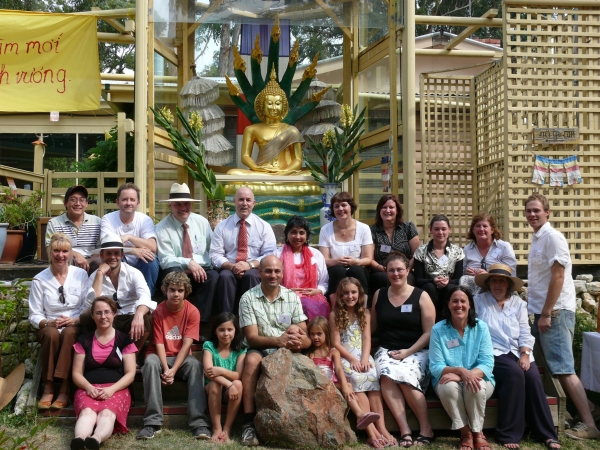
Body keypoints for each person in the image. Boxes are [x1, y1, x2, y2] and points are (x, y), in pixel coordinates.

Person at [525, 193, 600, 440]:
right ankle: (587, 408)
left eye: (537, 210)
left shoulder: (553, 237)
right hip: (542, 312)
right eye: (529, 211)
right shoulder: (537, 239)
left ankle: (589, 426)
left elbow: (558, 277)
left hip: (554, 312)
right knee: (553, 368)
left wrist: (547, 313)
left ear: (547, 212)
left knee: (564, 368)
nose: (532, 214)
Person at [474, 264, 560, 450]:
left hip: (517, 350)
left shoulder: (519, 304)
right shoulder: (479, 300)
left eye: (502, 281)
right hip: (492, 352)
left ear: (508, 285)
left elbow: (525, 331)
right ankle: (508, 433)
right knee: (514, 374)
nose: (497, 285)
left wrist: (525, 354)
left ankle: (546, 434)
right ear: (488, 284)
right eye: (494, 281)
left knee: (533, 378)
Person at [238, 255, 310, 446]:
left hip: (286, 349)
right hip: (260, 347)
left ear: (282, 273)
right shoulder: (247, 298)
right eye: (268, 271)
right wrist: (279, 341)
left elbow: (302, 327)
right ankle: (248, 424)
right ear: (259, 273)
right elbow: (252, 337)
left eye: (277, 271)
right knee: (251, 361)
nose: (273, 275)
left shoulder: (291, 296)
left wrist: (298, 335)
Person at [371, 253, 436, 447]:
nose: (396, 273)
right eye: (391, 270)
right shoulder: (379, 294)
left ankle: (426, 429)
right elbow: (372, 326)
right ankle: (404, 430)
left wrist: (407, 352)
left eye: (400, 269)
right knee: (386, 375)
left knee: (405, 376)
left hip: (417, 350)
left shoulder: (421, 295)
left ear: (408, 271)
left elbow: (430, 332)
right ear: (386, 272)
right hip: (386, 350)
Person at [137, 272, 211, 440]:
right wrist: (165, 368)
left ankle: (199, 422)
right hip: (158, 354)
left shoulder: (192, 312)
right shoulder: (158, 311)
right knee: (149, 363)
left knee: (196, 365)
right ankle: (152, 422)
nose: (176, 294)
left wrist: (173, 370)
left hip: (182, 357)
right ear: (165, 290)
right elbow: (159, 343)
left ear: (186, 292)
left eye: (180, 290)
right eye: (172, 290)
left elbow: (187, 345)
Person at [330, 278, 394, 448]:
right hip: (345, 356)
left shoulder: (364, 313)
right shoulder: (335, 314)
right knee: (357, 379)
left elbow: (366, 338)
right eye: (345, 293)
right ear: (340, 295)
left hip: (362, 354)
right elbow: (336, 343)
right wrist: (352, 359)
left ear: (359, 294)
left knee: (372, 376)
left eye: (353, 292)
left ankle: (382, 427)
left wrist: (365, 358)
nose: (350, 296)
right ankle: (371, 430)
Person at [429, 286, 495, 450]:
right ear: (448, 304)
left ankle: (477, 432)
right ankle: (465, 433)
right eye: (455, 301)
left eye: (463, 301)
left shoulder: (481, 327)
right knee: (448, 388)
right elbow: (436, 366)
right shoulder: (438, 329)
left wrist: (464, 375)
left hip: (480, 377)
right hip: (447, 378)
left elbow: (487, 363)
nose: (459, 305)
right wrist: (460, 372)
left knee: (475, 386)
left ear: (470, 304)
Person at [28, 233, 88, 410]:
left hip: (75, 323)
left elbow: (87, 305)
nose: (60, 255)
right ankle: (48, 386)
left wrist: (76, 320)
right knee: (52, 335)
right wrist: (48, 322)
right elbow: (34, 314)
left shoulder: (81, 275)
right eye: (56, 251)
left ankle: (63, 388)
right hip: (49, 326)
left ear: (70, 253)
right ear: (49, 252)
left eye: (65, 251)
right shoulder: (40, 279)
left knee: (69, 334)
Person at [70, 296, 137, 450]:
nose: (103, 316)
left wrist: (111, 389)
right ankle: (79, 439)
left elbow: (130, 373)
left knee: (107, 413)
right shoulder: (83, 340)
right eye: (98, 313)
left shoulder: (125, 340)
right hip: (88, 388)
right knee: (87, 412)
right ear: (92, 316)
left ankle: (96, 439)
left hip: (117, 389)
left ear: (114, 314)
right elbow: (76, 373)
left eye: (107, 312)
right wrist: (88, 388)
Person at [307, 316, 381, 446]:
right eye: (312, 334)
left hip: (332, 384)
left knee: (349, 389)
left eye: (319, 334)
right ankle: (362, 419)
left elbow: (339, 370)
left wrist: (345, 386)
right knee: (349, 389)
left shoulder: (333, 351)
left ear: (326, 333)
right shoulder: (309, 354)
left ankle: (369, 431)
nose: (315, 337)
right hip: (317, 386)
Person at [156, 183, 219, 326]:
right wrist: (188, 262)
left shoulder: (202, 222)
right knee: (174, 275)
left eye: (186, 204)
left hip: (201, 269)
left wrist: (202, 265)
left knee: (214, 276)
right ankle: (175, 321)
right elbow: (165, 259)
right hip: (177, 269)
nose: (183, 208)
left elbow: (212, 249)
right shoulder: (161, 228)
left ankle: (201, 323)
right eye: (178, 204)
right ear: (170, 206)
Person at [227, 66, 308, 176]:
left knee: (312, 175)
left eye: (278, 104)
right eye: (269, 103)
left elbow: (298, 160)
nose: (273, 107)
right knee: (233, 173)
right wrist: (257, 168)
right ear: (261, 106)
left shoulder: (291, 130)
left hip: (285, 172)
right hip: (262, 172)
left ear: (283, 107)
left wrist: (283, 173)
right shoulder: (252, 129)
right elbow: (245, 156)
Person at [81, 232, 155, 351]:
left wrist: (139, 315)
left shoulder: (134, 273)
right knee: (87, 316)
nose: (112, 257)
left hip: (130, 317)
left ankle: (133, 356)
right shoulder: (95, 276)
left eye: (116, 253)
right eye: (108, 253)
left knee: (146, 316)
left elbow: (145, 296)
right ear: (101, 255)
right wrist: (99, 274)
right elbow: (91, 303)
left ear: (122, 255)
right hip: (109, 318)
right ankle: (101, 354)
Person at [210, 186, 277, 313]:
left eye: (248, 200)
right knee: (224, 277)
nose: (244, 204)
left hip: (253, 267)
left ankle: (253, 318)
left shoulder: (264, 226)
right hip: (229, 267)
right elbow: (215, 254)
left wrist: (249, 265)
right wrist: (232, 266)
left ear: (253, 203)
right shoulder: (222, 227)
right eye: (241, 200)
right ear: (234, 201)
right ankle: (226, 320)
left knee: (251, 276)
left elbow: (269, 254)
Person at [101, 183, 160, 295]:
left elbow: (152, 247)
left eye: (132, 199)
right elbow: (107, 245)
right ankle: (119, 299)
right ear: (117, 202)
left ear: (138, 203)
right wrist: (132, 250)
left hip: (141, 262)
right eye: (124, 200)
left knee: (151, 259)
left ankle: (146, 300)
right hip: (119, 259)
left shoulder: (144, 220)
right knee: (114, 257)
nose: (128, 203)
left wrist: (129, 237)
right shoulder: (107, 219)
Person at [318, 192, 373, 308]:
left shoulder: (364, 228)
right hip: (335, 271)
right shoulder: (325, 230)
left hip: (358, 270)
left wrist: (356, 262)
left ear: (351, 207)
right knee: (338, 270)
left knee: (356, 270)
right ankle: (335, 310)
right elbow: (324, 260)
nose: (340, 209)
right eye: (336, 206)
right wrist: (337, 261)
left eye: (344, 205)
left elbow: (368, 259)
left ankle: (363, 309)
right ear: (332, 210)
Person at [274, 215, 329, 321]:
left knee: (310, 304)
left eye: (301, 232)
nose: (297, 237)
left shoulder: (315, 254)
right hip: (284, 296)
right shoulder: (277, 255)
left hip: (313, 297)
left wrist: (317, 291)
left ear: (307, 235)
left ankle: (313, 336)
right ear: (287, 234)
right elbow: (271, 281)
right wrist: (287, 292)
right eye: (293, 232)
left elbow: (324, 282)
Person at [203, 312, 247, 443]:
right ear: (215, 331)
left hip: (231, 392)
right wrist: (229, 384)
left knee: (238, 384)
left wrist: (221, 370)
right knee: (216, 384)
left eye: (229, 329)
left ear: (235, 331)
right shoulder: (209, 346)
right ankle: (217, 428)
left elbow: (238, 375)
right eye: (221, 330)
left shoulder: (240, 350)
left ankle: (227, 429)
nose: (226, 334)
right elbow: (208, 373)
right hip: (212, 388)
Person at [414, 214, 464, 321]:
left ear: (449, 230)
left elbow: (459, 278)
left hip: (448, 288)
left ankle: (447, 322)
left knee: (450, 288)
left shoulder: (457, 251)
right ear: (431, 230)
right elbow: (418, 279)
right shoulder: (421, 251)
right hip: (428, 288)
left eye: (443, 229)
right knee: (430, 288)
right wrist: (433, 280)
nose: (440, 232)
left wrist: (448, 281)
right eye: (436, 229)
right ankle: (431, 321)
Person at [369, 194, 420, 293]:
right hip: (381, 271)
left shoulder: (408, 228)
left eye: (391, 207)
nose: (387, 210)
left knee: (407, 278)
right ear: (379, 210)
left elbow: (416, 255)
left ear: (397, 211)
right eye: (384, 207)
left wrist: (405, 269)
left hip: (404, 270)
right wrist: (382, 269)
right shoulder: (372, 231)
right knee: (382, 278)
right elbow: (370, 258)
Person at [45, 185, 101, 272]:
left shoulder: (98, 222)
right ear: (65, 203)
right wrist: (74, 254)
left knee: (101, 261)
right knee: (67, 260)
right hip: (68, 260)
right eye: (73, 200)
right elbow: (50, 247)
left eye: (82, 200)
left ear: (86, 203)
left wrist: (88, 263)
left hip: (92, 262)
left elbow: (100, 248)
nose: (78, 203)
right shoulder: (54, 223)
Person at [459, 213, 516, 295]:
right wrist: (466, 272)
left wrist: (489, 275)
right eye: (478, 226)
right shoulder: (467, 249)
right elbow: (461, 273)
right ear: (473, 230)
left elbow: (512, 273)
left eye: (485, 226)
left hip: (497, 287)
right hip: (473, 290)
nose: (481, 229)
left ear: (492, 230)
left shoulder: (504, 247)